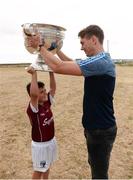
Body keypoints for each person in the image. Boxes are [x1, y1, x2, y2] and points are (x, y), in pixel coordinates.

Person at [27, 25, 117, 179]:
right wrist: (55, 49)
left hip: (100, 130)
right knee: (96, 167)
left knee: (99, 175)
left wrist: (40, 46)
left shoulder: (100, 62)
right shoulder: (98, 61)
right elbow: (69, 62)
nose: (81, 48)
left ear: (94, 40)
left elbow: (59, 66)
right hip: (95, 128)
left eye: (82, 43)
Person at [26, 66, 57, 179]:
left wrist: (51, 72)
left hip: (51, 141)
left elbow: (53, 88)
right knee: (39, 170)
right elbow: (34, 95)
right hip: (41, 146)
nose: (45, 93)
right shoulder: (34, 109)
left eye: (44, 90)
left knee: (47, 165)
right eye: (41, 92)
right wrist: (34, 74)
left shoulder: (46, 102)